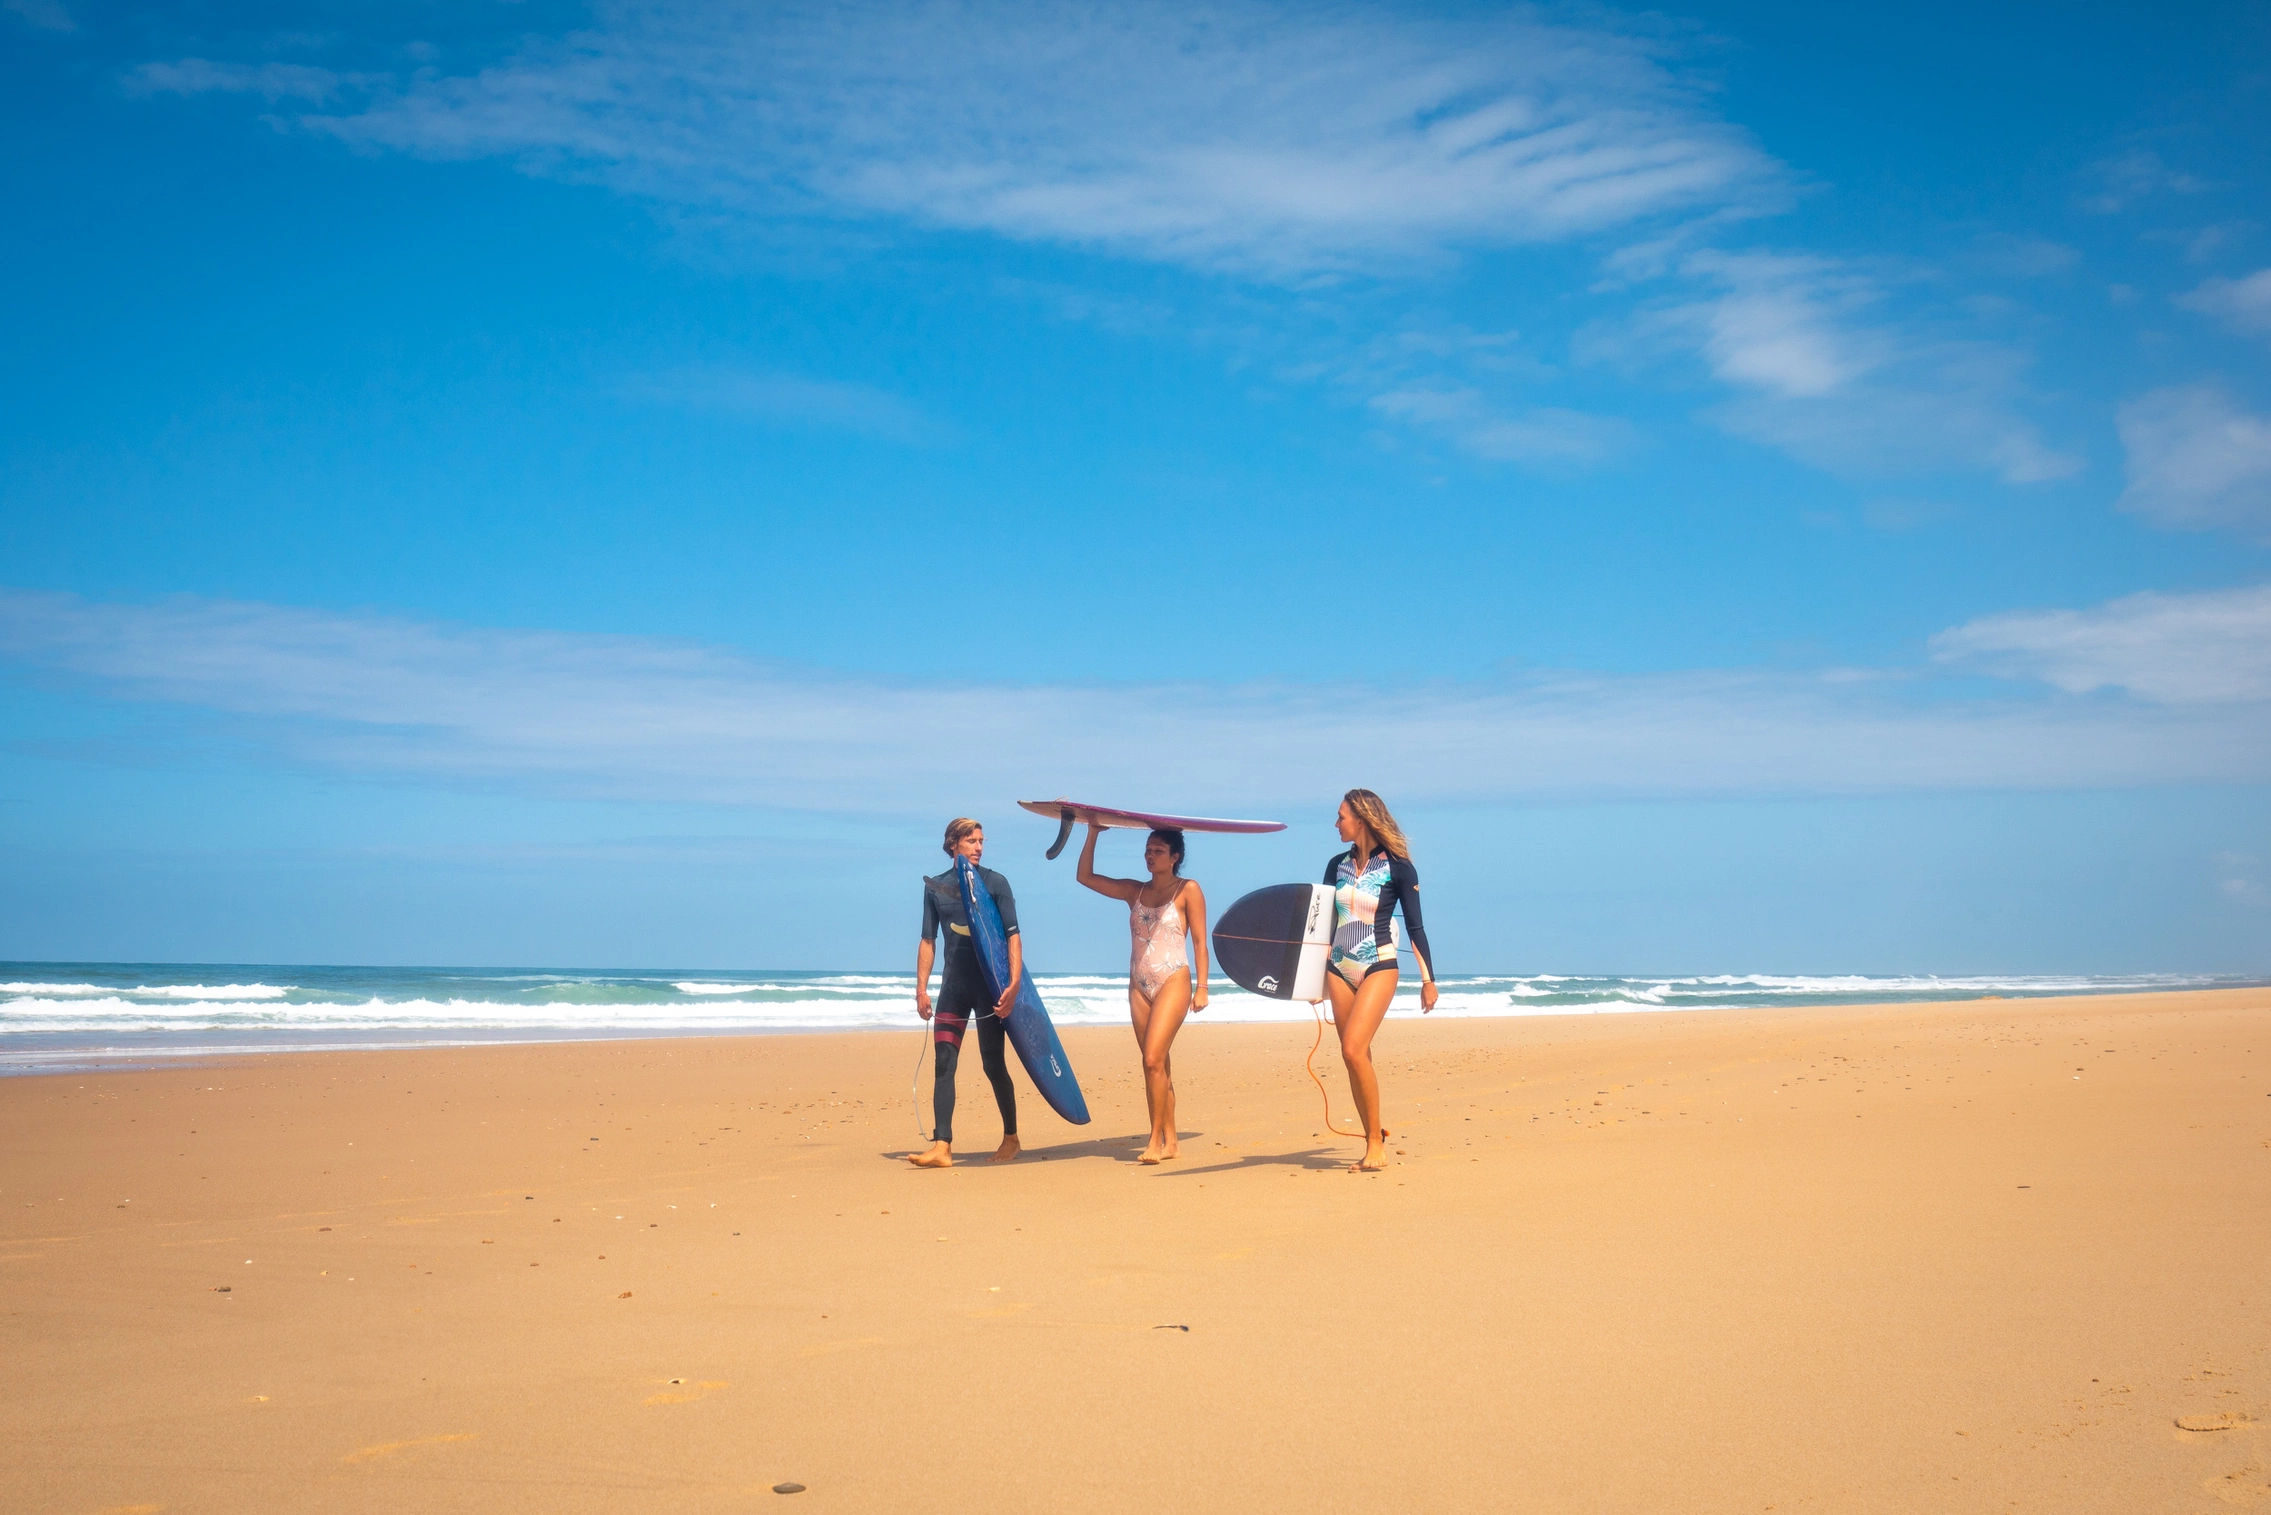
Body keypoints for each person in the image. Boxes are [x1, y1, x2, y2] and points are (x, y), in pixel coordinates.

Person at [1317, 788, 1438, 1172]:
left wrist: (1428, 980)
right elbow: (1323, 926)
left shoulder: (1399, 867)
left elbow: (1415, 927)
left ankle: (1374, 1143)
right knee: (1355, 1058)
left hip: (1378, 964)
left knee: (1353, 1050)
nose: (1336, 823)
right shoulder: (1336, 865)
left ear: (1362, 819)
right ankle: (1373, 1139)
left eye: (1341, 816)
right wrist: (1313, 980)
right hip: (1338, 967)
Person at [1076, 820, 1210, 1164]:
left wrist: (1203, 988)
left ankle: (1154, 1140)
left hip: (1173, 980)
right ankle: (1172, 1142)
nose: (1150, 856)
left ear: (1175, 857)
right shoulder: (1133, 891)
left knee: (1151, 1060)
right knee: (1157, 1065)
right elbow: (1085, 877)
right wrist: (1092, 833)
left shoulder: (1188, 890)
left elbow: (1199, 942)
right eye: (1148, 850)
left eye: (1158, 851)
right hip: (1139, 984)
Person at [909, 817, 1022, 1168]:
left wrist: (1014, 984)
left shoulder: (995, 883)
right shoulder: (936, 888)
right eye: (972, 841)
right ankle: (942, 1146)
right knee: (944, 1063)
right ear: (953, 843)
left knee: (993, 1063)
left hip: (990, 990)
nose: (979, 847)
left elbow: (1013, 936)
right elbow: (928, 941)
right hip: (954, 989)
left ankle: (1011, 1137)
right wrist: (921, 988)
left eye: (981, 841)